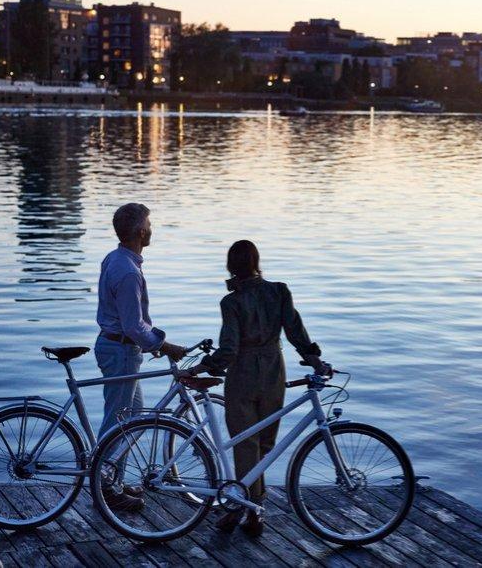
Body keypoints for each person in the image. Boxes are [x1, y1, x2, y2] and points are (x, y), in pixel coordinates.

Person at [181, 240, 330, 537]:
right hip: (274, 370)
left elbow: (229, 349)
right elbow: (295, 331)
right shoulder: (279, 291)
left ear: (230, 267)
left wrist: (199, 368)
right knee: (264, 443)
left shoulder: (231, 302)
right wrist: (315, 360)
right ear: (257, 262)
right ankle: (253, 509)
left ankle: (243, 507)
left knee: (245, 443)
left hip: (243, 375)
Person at [95, 203, 185, 512]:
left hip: (118, 347)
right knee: (118, 421)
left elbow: (131, 323)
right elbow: (133, 325)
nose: (151, 228)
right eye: (149, 224)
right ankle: (103, 485)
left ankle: (111, 482)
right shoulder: (128, 272)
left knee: (132, 418)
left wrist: (151, 343)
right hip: (121, 350)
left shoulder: (115, 258)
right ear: (141, 232)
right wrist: (164, 344)